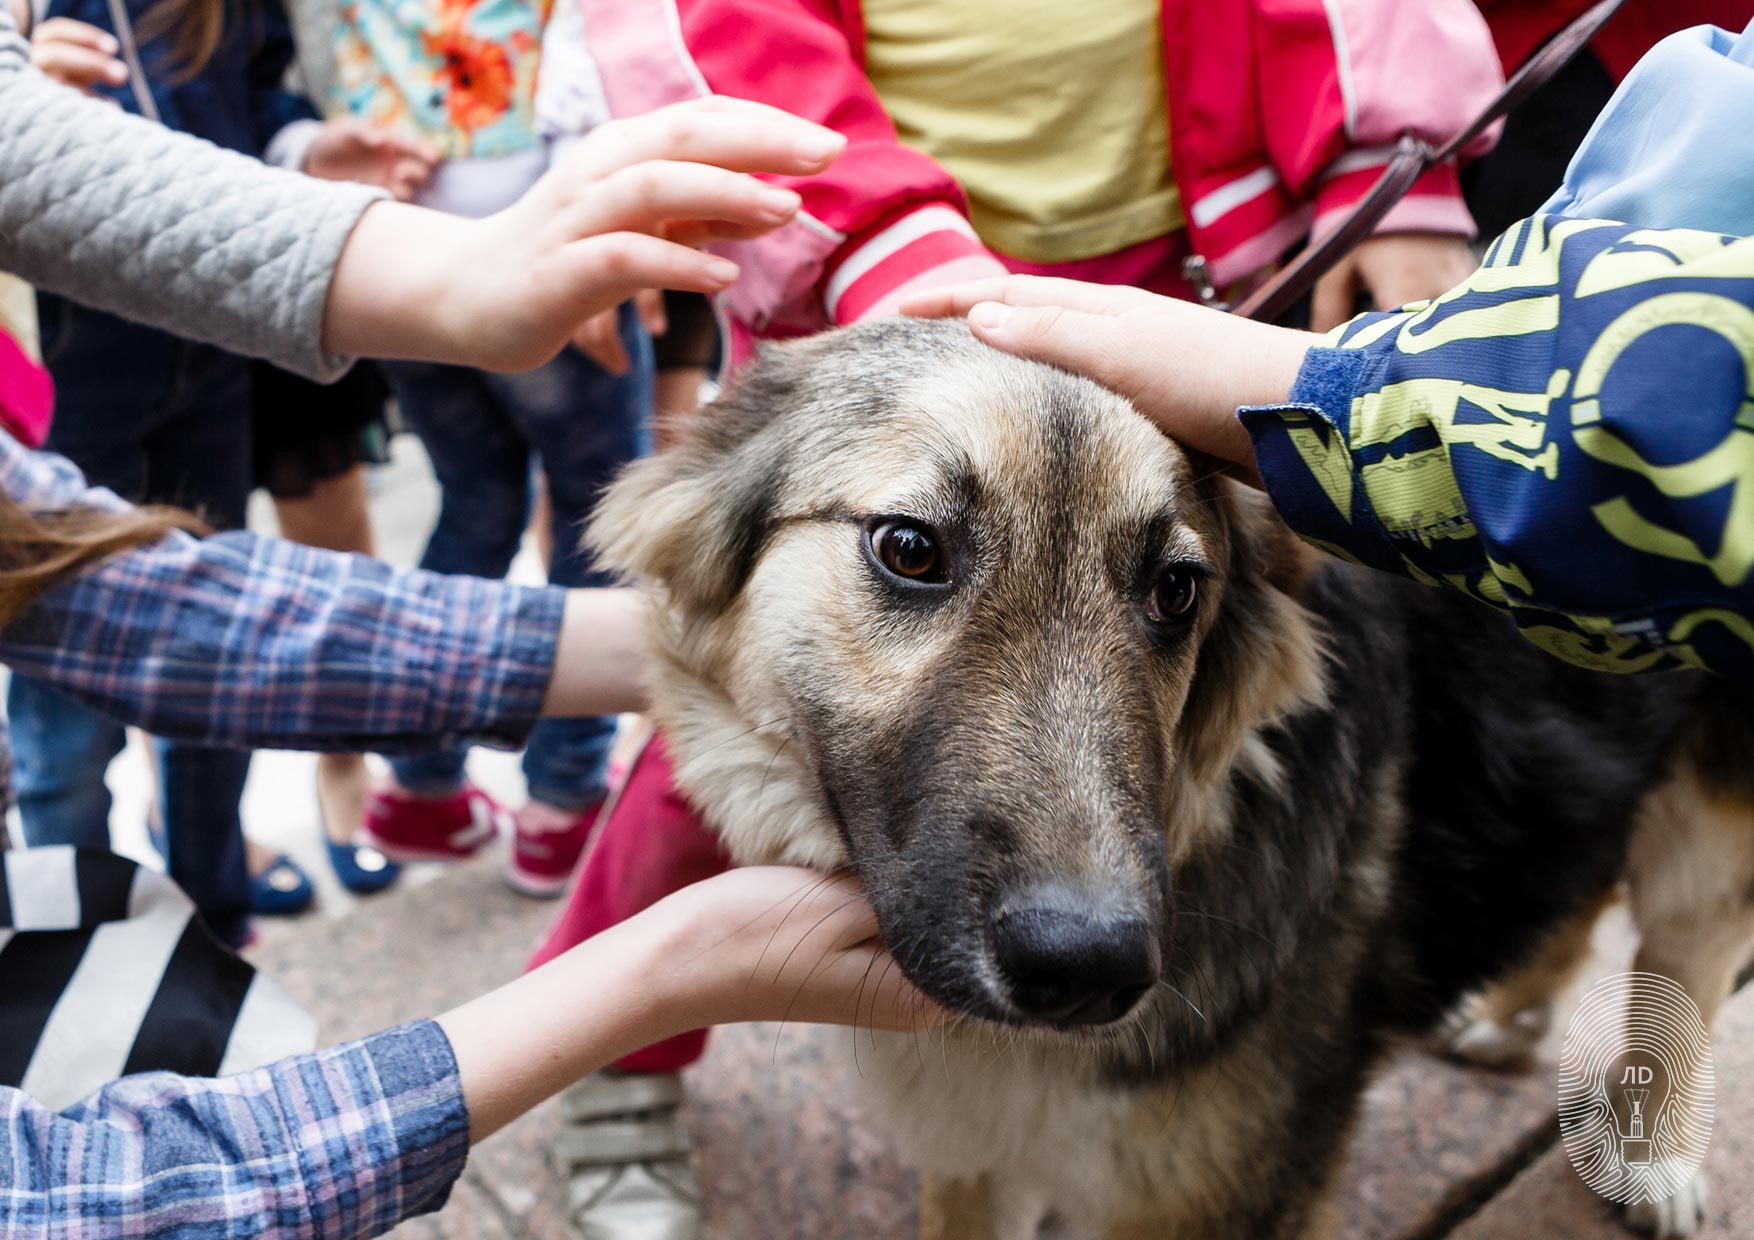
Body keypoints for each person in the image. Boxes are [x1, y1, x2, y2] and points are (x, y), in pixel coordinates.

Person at [528, 4, 1505, 1226]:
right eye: (909, 554)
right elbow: (714, 23)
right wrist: (881, 253)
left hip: (1190, 275)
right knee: (691, 785)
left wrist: (1384, 159)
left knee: (1189, 716)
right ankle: (616, 1052)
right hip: (865, 279)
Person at [17, 0, 439, 938]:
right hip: (63, 373)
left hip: (208, 358)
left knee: (210, 661)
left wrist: (302, 150)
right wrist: (22, 94)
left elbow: (252, 104)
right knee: (64, 722)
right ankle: (71, 954)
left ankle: (213, 922)